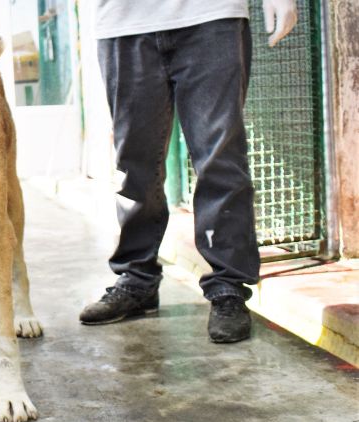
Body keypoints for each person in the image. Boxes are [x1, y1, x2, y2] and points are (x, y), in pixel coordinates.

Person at [79, 0, 298, 343]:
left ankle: (228, 287)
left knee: (220, 158)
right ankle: (137, 279)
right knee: (134, 162)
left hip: (211, 14)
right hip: (123, 21)